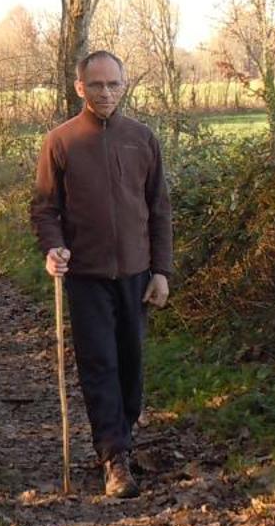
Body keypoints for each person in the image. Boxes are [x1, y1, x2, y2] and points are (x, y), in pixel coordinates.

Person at [30, 51, 173, 498]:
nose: (106, 93)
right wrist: (53, 247)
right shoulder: (61, 141)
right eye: (96, 85)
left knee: (131, 365)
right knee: (100, 364)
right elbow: (44, 208)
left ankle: (121, 435)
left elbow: (159, 210)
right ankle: (114, 456)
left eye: (113, 84)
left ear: (125, 84)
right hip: (86, 275)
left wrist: (161, 271)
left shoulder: (142, 139)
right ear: (80, 88)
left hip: (135, 273)